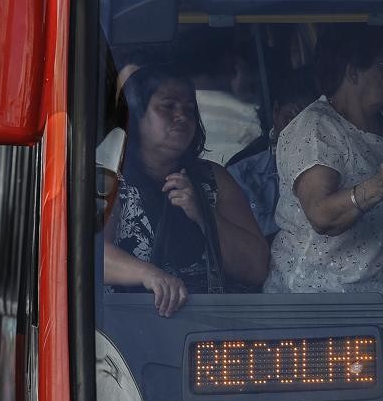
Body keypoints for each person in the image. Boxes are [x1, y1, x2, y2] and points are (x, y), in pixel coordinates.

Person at [264, 24, 383, 311]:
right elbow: (321, 215)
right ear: (353, 72)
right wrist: (377, 187)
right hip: (319, 303)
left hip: (381, 302)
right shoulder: (316, 126)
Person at [103, 64, 269, 317]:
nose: (182, 116)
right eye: (168, 106)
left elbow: (256, 268)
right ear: (136, 115)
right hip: (131, 330)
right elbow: (88, 257)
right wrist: (149, 275)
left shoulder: (214, 178)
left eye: (189, 109)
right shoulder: (109, 177)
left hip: (217, 329)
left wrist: (204, 214)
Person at [228, 66, 317, 240]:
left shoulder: (335, 169)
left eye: (311, 125)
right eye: (290, 119)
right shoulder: (243, 174)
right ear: (276, 111)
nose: (298, 133)